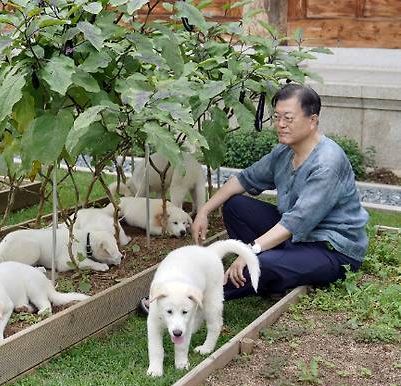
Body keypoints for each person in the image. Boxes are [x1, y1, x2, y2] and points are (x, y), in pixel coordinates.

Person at [140, 83, 368, 311]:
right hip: (297, 239)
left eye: (288, 118)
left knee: (261, 264)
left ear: (312, 120)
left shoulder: (327, 163)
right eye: (277, 116)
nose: (280, 124)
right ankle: (275, 271)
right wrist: (204, 210)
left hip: (331, 250)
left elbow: (295, 222)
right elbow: (243, 180)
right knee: (235, 206)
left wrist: (250, 251)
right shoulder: (285, 152)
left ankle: (183, 299)